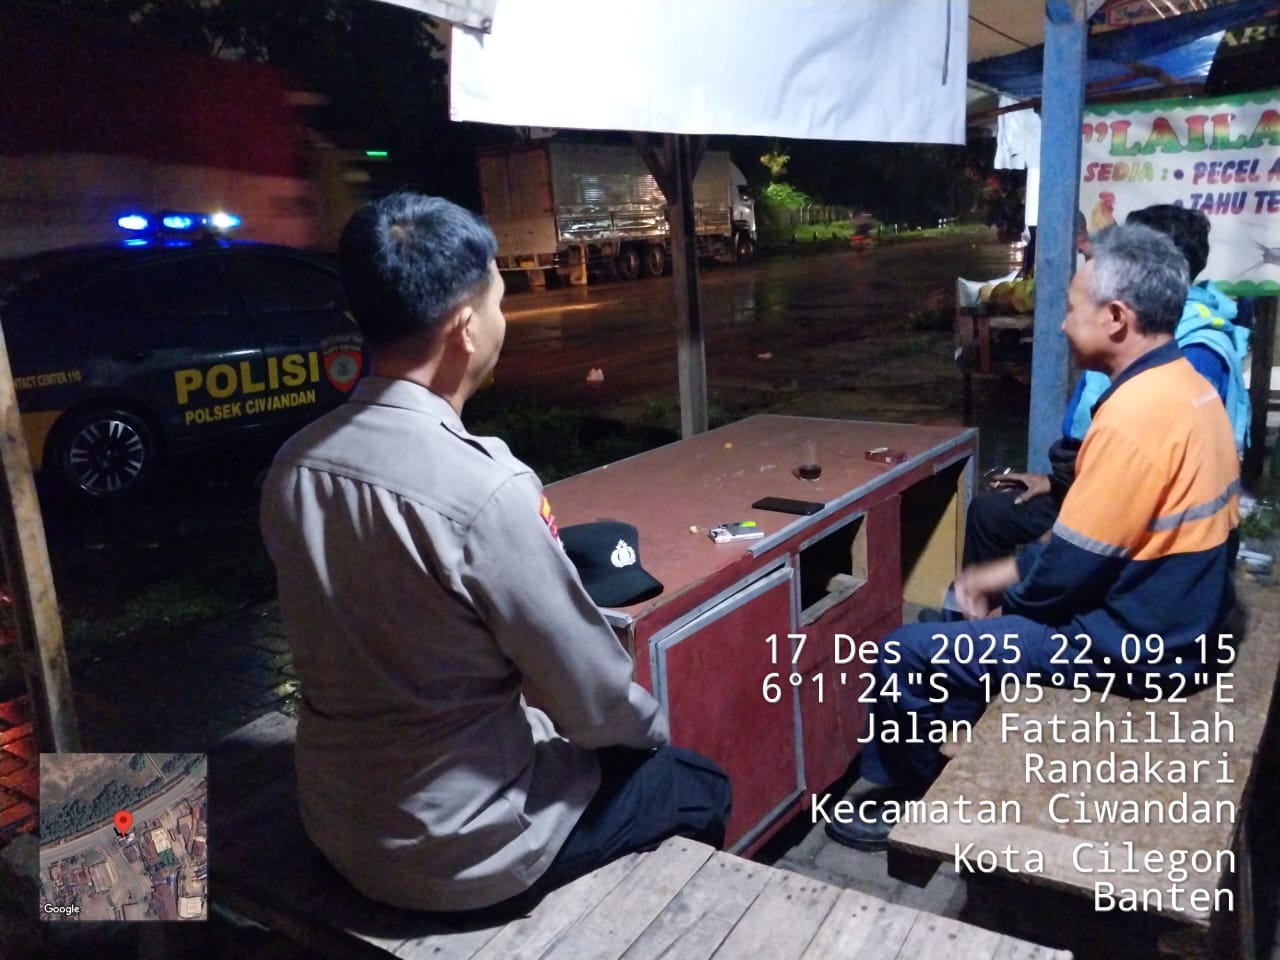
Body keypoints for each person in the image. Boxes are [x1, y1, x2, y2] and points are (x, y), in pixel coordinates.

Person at [259, 193, 729, 913]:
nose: (502, 319)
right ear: (465, 328)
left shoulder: (294, 464)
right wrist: (652, 734)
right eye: (500, 301)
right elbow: (592, 695)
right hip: (461, 854)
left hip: (338, 820)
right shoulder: (485, 489)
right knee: (696, 785)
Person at [827, 224, 1239, 850]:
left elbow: (1065, 573)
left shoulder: (1135, 417)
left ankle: (916, 804)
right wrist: (999, 579)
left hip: (1137, 648)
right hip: (1170, 618)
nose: (1062, 325)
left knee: (905, 653)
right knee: (959, 612)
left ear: (1116, 318)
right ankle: (961, 750)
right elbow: (1088, 543)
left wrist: (1004, 598)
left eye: (1072, 309)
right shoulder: (1185, 386)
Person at [961, 203, 1249, 572]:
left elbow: (1131, 498)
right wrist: (1058, 482)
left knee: (1033, 570)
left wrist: (1049, 548)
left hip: (1145, 529)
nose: (1064, 325)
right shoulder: (1140, 341)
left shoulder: (1184, 355)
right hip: (1096, 488)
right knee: (990, 514)